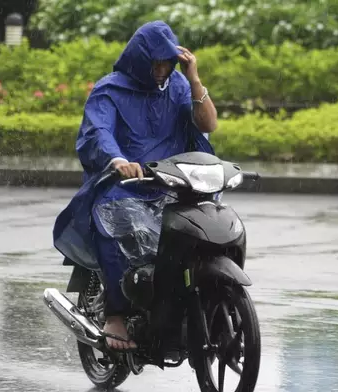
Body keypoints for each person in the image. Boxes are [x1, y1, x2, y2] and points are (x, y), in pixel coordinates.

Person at [52, 21, 218, 351]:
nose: (161, 70)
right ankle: (115, 313)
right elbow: (98, 132)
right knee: (117, 220)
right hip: (123, 184)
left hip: (171, 184)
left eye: (167, 63)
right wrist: (116, 160)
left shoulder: (178, 86)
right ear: (140, 59)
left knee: (204, 230)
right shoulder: (110, 90)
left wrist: (193, 76)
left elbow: (208, 123)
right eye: (156, 63)